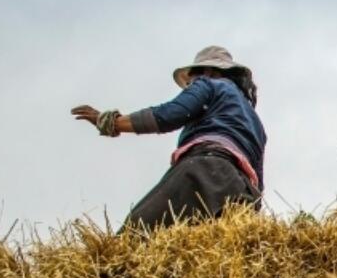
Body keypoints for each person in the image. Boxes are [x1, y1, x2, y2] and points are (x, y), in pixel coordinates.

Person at [72, 45, 266, 231]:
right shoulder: (256, 122)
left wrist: (111, 123)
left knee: (135, 234)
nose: (190, 85)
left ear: (207, 71)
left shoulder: (209, 85)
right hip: (242, 193)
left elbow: (170, 114)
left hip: (206, 170)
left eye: (192, 79)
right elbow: (259, 181)